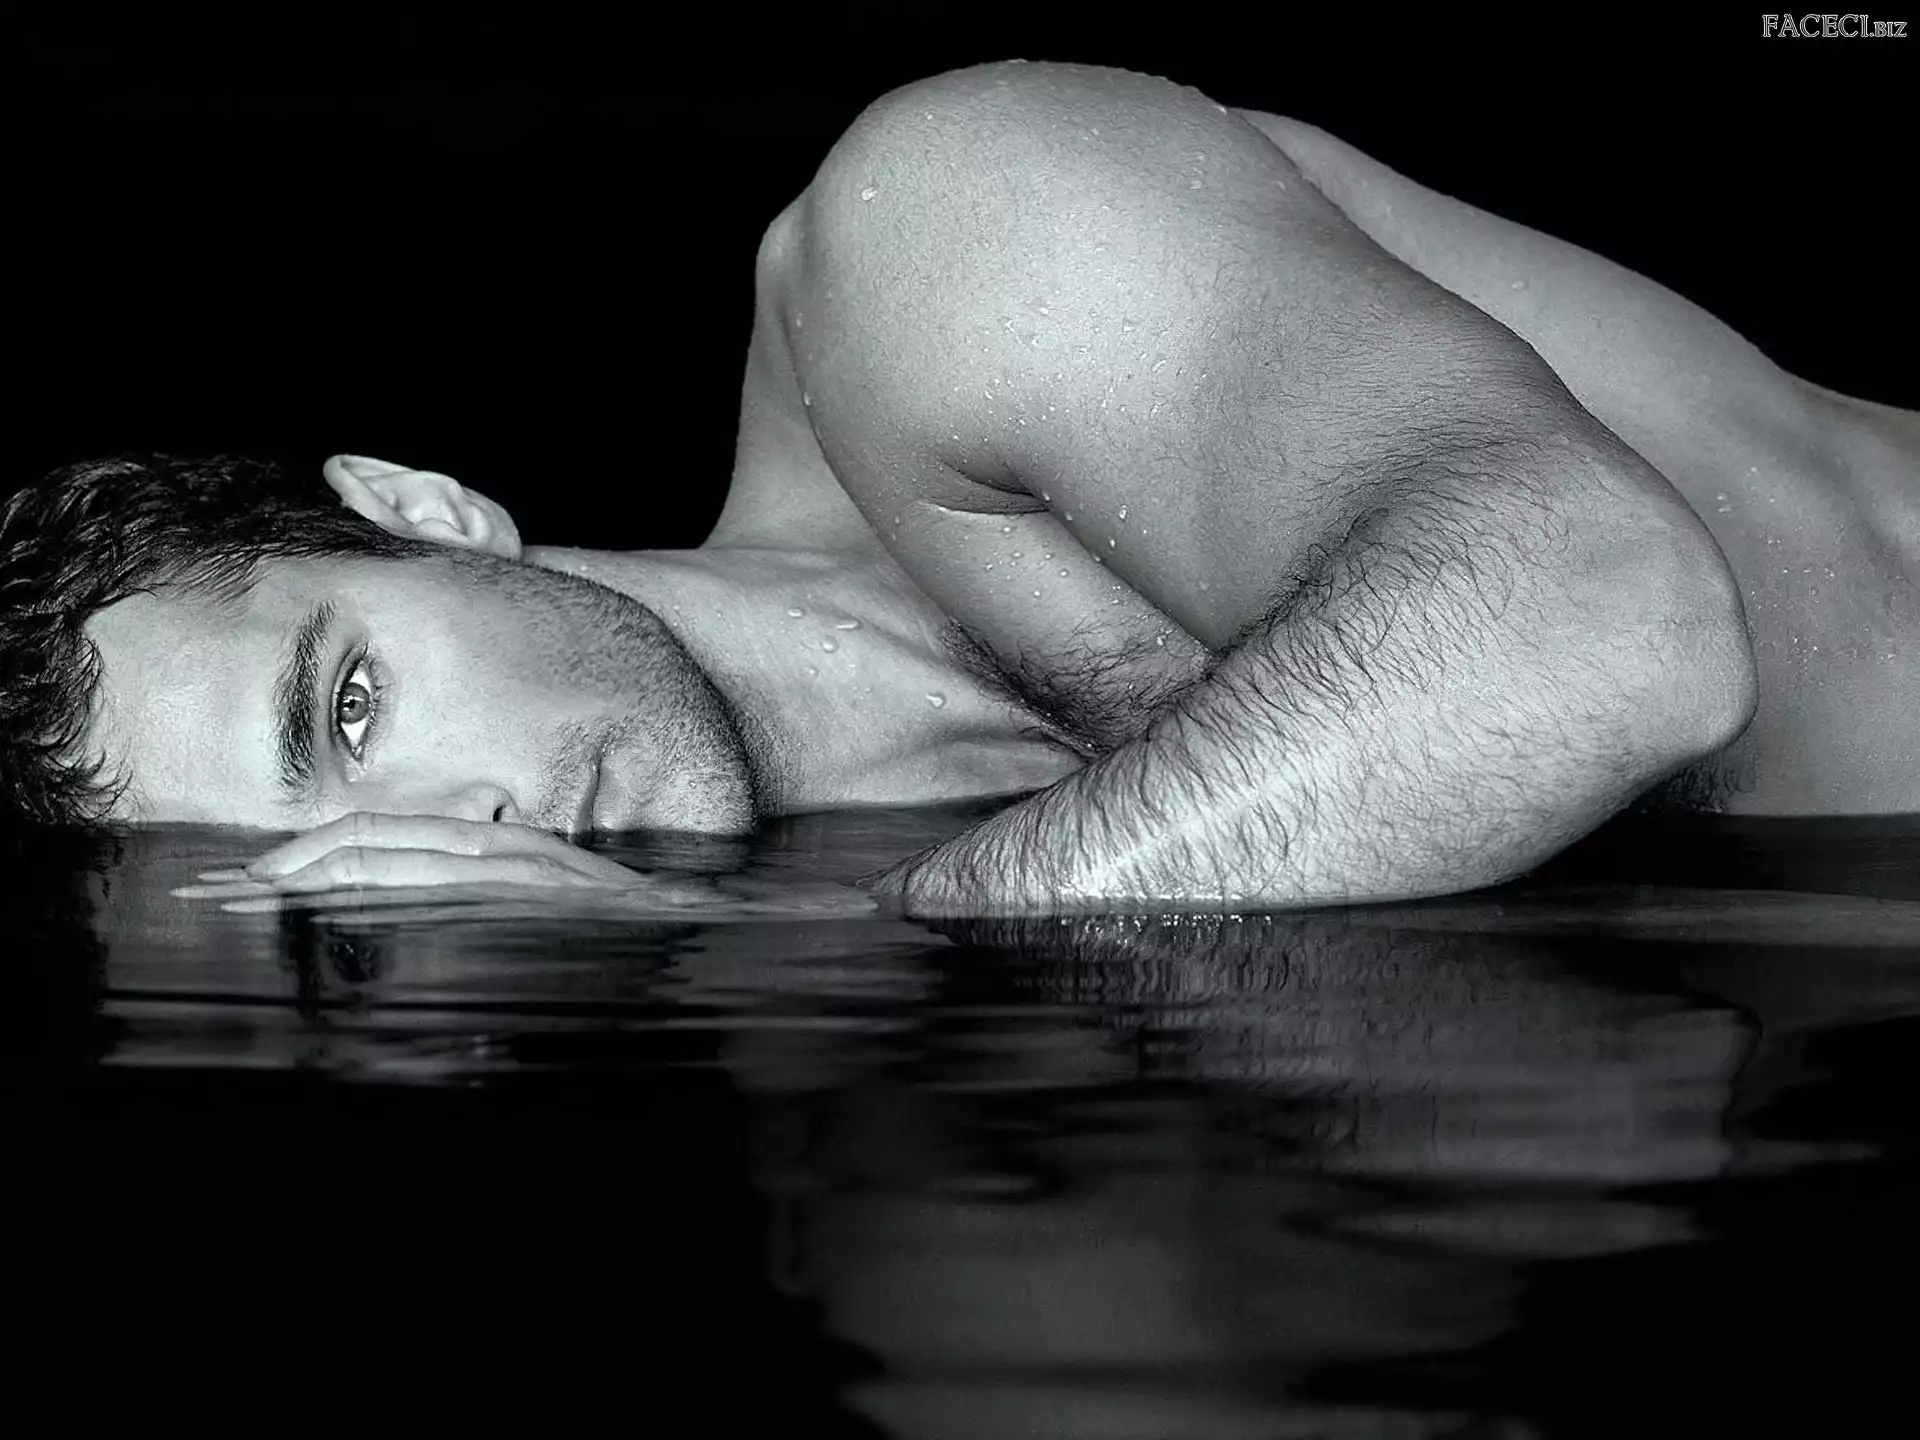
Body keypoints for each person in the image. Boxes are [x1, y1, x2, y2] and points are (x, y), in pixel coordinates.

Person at [3, 61, 1912, 915]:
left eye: (349, 708)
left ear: (422, 511)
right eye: (346, 878)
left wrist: (837, 938)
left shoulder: (926, 244)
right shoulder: (873, 1039)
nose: (471, 826)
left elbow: (1605, 626)